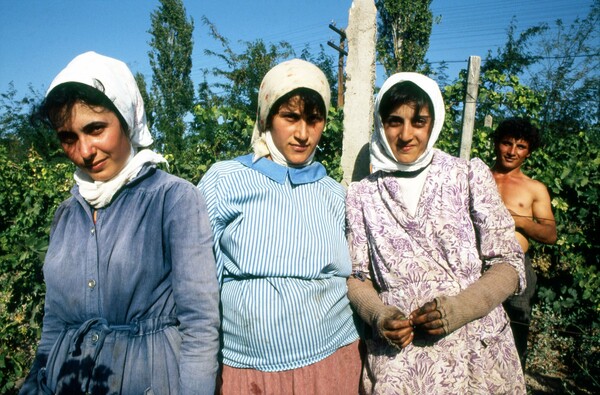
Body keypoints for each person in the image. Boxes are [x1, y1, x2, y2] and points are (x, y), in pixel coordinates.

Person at [20, 51, 220, 395]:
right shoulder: (67, 215)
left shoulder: (172, 199)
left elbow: (200, 325)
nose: (84, 151)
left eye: (95, 129)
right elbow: (54, 324)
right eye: (68, 137)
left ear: (127, 118)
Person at [345, 72, 527, 394]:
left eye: (419, 121)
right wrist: (379, 314)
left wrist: (461, 308)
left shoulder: (467, 174)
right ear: (380, 123)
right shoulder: (362, 194)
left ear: (434, 122)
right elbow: (358, 277)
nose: (405, 135)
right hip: (402, 360)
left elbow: (509, 263)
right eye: (393, 121)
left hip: (476, 347)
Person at [198, 59, 360, 394]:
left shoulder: (333, 194)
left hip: (330, 361)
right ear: (266, 117)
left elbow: (350, 276)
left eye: (314, 120)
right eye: (291, 117)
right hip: (248, 371)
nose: (303, 133)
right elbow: (199, 284)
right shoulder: (226, 181)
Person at [491, 118, 557, 370]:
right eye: (507, 143)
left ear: (529, 152)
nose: (511, 152)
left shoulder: (534, 188)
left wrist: (519, 220)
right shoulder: (476, 178)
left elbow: (550, 234)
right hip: (476, 264)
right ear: (497, 144)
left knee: (516, 330)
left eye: (520, 147)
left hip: (517, 265)